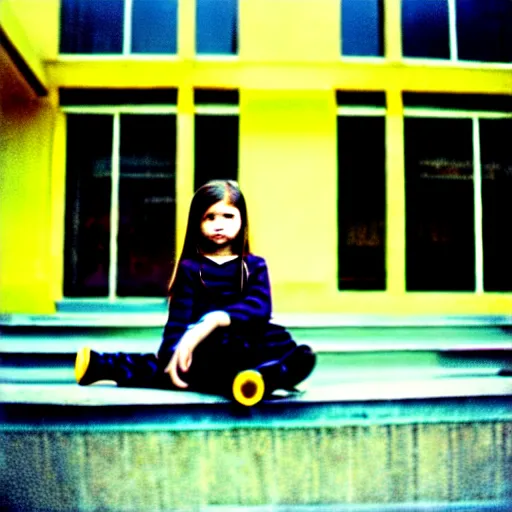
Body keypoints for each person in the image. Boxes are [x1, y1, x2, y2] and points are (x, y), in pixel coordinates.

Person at [75, 180, 316, 405]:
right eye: (209, 217)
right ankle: (103, 365)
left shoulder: (254, 265)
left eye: (228, 216)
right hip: (210, 351)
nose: (219, 224)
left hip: (249, 343)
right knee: (178, 364)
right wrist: (173, 356)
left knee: (297, 352)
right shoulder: (191, 268)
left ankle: (257, 378)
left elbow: (260, 306)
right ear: (197, 223)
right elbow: (177, 323)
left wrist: (213, 320)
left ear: (242, 220)